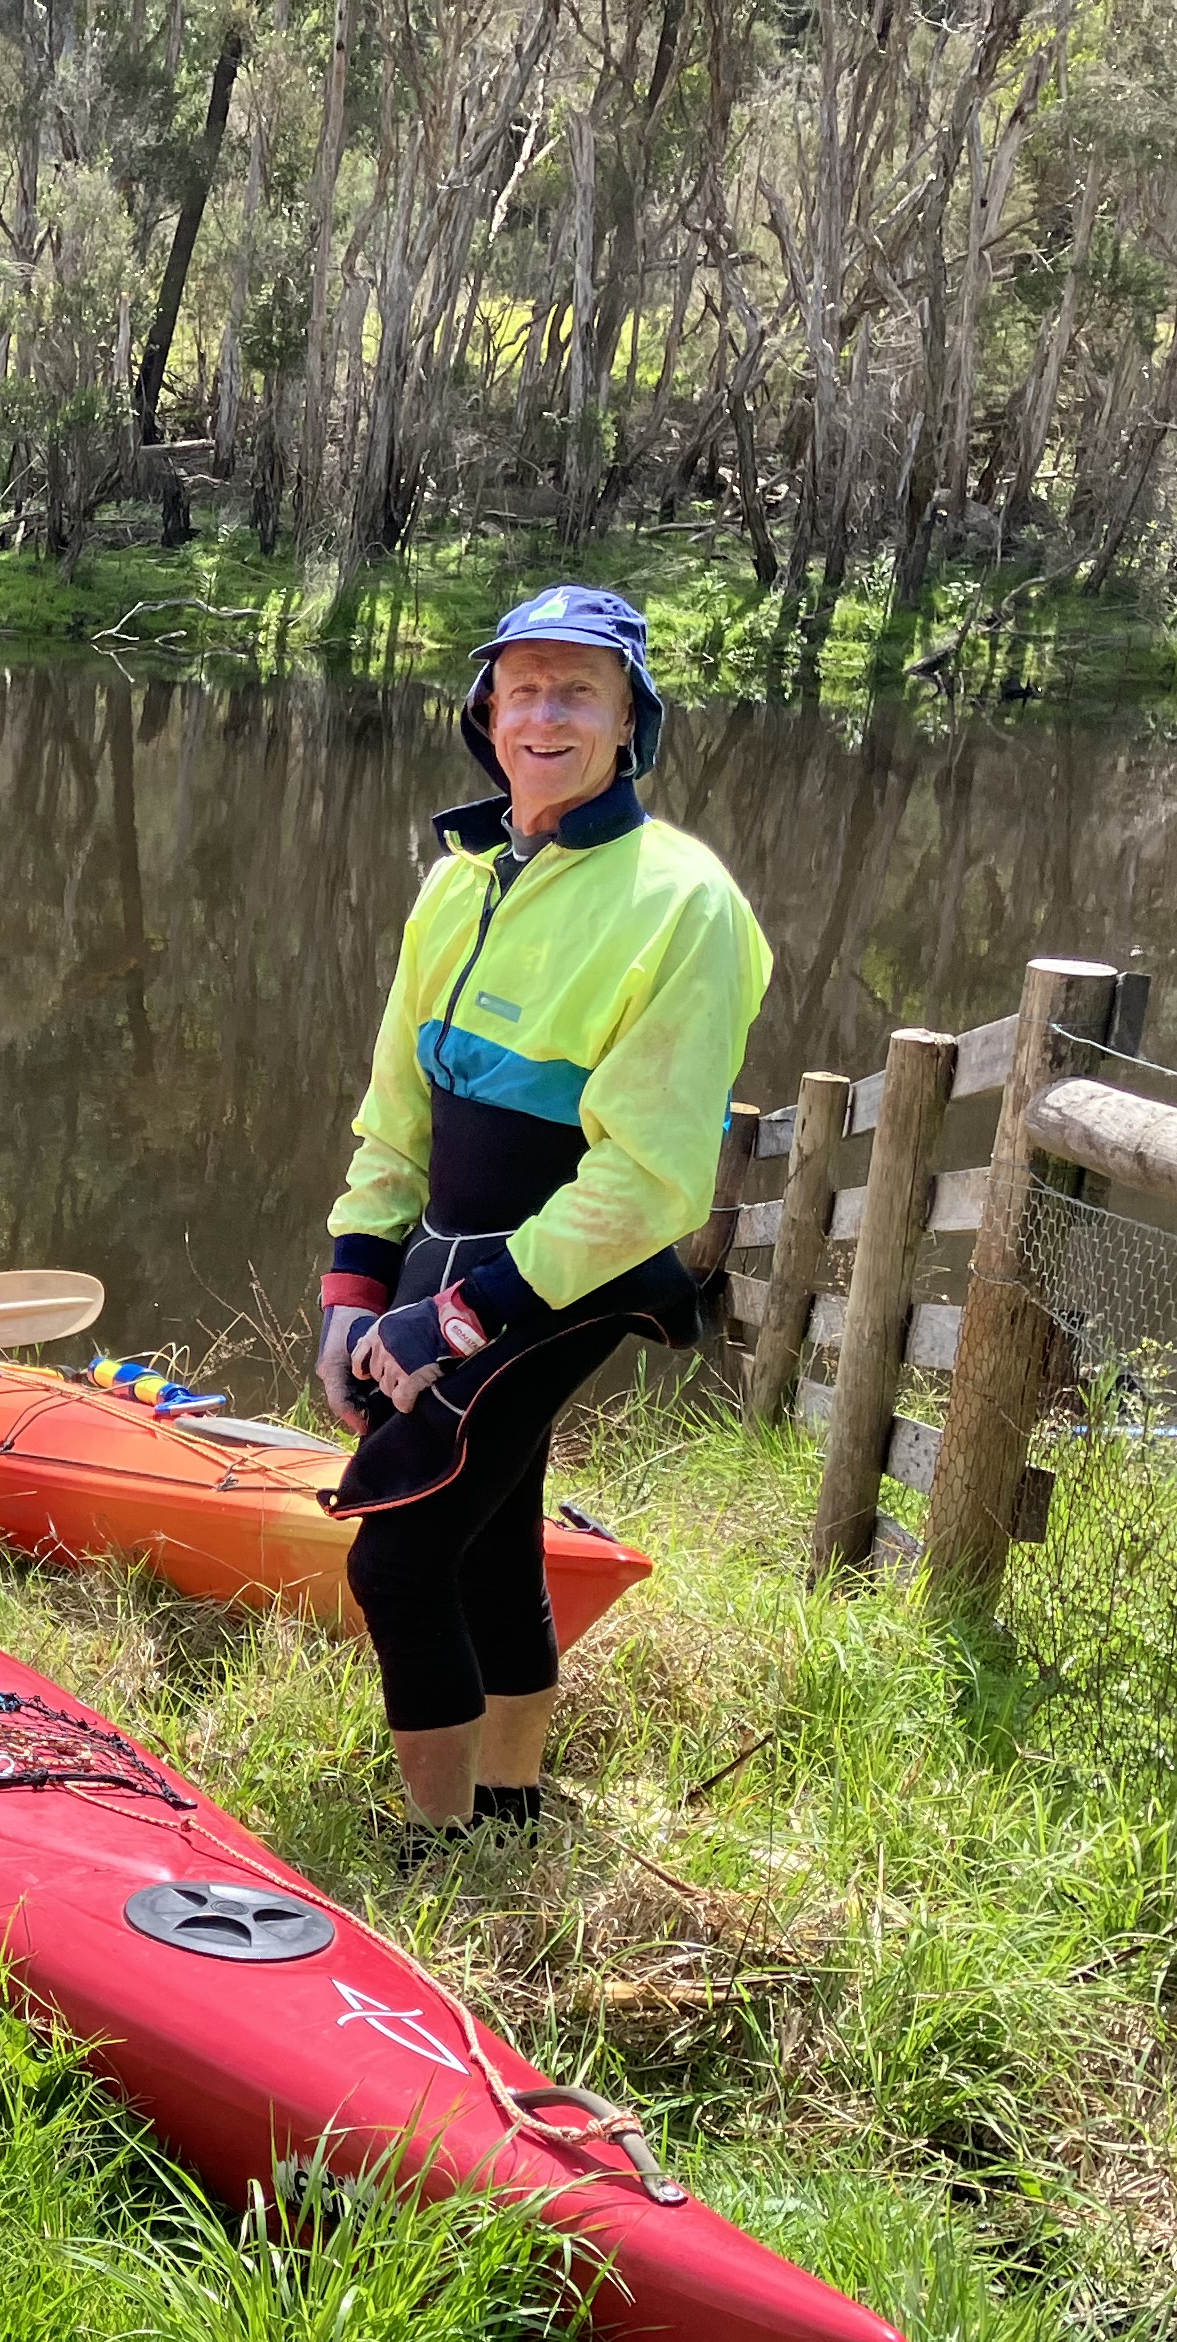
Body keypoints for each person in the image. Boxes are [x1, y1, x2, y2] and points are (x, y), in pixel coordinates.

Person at [313, 585, 770, 1854]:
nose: (545, 715)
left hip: (576, 1265)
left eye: (579, 691)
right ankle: (507, 1815)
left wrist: (459, 1320)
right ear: (485, 712)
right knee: (491, 1532)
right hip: (452, 1252)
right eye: (522, 689)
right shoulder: (457, 885)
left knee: (399, 1560)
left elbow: (652, 1181)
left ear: (631, 720)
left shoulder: (685, 903)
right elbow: (395, 1107)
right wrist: (357, 1287)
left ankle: (438, 1848)